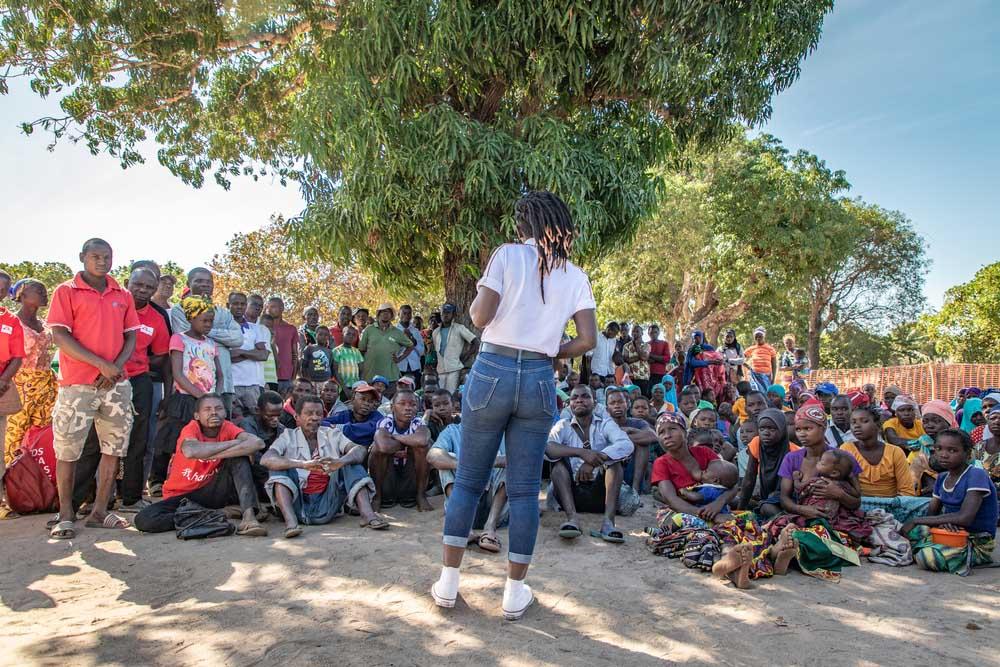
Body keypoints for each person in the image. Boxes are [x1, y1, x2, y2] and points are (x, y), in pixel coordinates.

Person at [434, 190, 597, 621]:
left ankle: (449, 586)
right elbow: (586, 341)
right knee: (525, 489)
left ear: (522, 224)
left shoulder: (505, 256)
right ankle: (514, 592)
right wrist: (547, 348)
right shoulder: (575, 275)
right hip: (540, 377)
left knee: (469, 480)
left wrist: (480, 298)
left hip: (492, 370)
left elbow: (480, 318)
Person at [46, 239, 139, 539]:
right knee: (68, 450)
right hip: (77, 384)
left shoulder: (121, 293)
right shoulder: (66, 291)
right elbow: (60, 336)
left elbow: (130, 338)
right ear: (82, 257)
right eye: (96, 256)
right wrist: (100, 364)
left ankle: (99, 511)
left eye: (107, 256)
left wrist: (114, 368)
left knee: (114, 448)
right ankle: (65, 514)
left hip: (115, 386)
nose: (102, 261)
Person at [134, 394, 266, 536]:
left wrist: (210, 452)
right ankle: (214, 514)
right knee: (143, 519)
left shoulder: (228, 427)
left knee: (239, 459)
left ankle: (248, 517)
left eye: (218, 408)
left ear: (225, 412)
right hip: (183, 495)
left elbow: (258, 443)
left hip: (212, 489)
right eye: (207, 409)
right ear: (197, 415)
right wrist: (235, 444)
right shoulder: (191, 429)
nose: (214, 412)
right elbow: (191, 451)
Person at [262, 395, 387, 537]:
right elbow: (266, 459)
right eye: (309, 414)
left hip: (328, 504)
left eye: (319, 414)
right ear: (297, 417)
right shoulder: (287, 436)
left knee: (351, 462)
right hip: (298, 504)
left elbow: (360, 450)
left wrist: (341, 462)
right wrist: (303, 465)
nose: (315, 418)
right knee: (278, 467)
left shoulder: (331, 434)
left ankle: (368, 515)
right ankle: (291, 523)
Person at [148, 295, 223, 496]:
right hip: (185, 399)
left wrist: (216, 397)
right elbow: (178, 374)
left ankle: (196, 478)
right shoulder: (179, 339)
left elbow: (219, 373)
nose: (208, 325)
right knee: (170, 439)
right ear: (191, 318)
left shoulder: (211, 344)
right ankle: (156, 480)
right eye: (204, 320)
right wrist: (201, 397)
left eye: (210, 321)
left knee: (205, 440)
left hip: (208, 401)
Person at [545, 385, 634, 544]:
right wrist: (582, 453)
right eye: (574, 397)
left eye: (585, 396)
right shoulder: (563, 425)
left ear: (595, 403)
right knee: (557, 464)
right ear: (569, 404)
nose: (579, 400)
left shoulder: (605, 424)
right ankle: (572, 519)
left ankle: (608, 523)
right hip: (571, 493)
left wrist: (594, 462)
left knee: (615, 464)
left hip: (601, 493)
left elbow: (626, 444)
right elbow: (548, 447)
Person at [902, 429, 997, 574]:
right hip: (949, 532)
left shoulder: (976, 475)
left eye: (952, 450)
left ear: (968, 454)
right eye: (938, 449)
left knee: (927, 557)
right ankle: (935, 549)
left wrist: (916, 520)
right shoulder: (942, 477)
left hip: (975, 539)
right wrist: (943, 522)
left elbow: (965, 518)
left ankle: (972, 557)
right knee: (908, 532)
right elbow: (932, 514)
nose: (943, 455)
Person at [116, 267, 170, 512]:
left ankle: (131, 496)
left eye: (149, 287)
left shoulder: (157, 317)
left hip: (139, 381)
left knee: (138, 441)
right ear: (127, 282)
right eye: (138, 285)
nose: (143, 290)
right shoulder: (111, 306)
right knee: (97, 441)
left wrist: (140, 364)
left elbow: (161, 355)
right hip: (103, 377)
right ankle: (92, 498)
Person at [170, 268, 243, 416]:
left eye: (209, 282)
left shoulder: (223, 312)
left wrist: (209, 333)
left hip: (221, 390)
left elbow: (238, 339)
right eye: (199, 281)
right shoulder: (180, 310)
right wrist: (223, 338)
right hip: (187, 393)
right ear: (188, 283)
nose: (205, 285)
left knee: (219, 429)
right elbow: (186, 332)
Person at [429, 422, 509, 553]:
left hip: (495, 507)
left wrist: (489, 462)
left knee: (511, 465)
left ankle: (490, 527)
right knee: (446, 459)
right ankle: (463, 526)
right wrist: (465, 466)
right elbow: (432, 455)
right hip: (462, 504)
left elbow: (520, 458)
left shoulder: (503, 432)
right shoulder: (452, 431)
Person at [841, 405, 927, 522]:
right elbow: (842, 484)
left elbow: (906, 491)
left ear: (877, 424)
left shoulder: (895, 452)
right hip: (858, 505)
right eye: (853, 422)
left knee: (927, 504)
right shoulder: (846, 449)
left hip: (891, 507)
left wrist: (894, 511)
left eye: (864, 421)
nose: (857, 426)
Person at [4, 281, 55, 466]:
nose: (44, 293)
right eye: (38, 290)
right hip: (20, 383)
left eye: (44, 289)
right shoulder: (11, 323)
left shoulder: (45, 324)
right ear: (22, 296)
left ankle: (32, 482)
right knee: (14, 434)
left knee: (40, 434)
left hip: (46, 384)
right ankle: (8, 484)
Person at [370, 389, 431, 511]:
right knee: (377, 449)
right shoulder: (386, 422)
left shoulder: (418, 422)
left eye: (413, 404)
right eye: (402, 403)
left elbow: (422, 440)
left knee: (424, 448)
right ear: (392, 407)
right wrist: (409, 442)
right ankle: (377, 496)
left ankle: (420, 495)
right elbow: (384, 446)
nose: (408, 408)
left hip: (409, 479)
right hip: (387, 478)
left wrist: (396, 437)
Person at [737, 408, 799, 517]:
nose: (766, 433)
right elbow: (749, 478)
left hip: (789, 498)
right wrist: (740, 510)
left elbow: (793, 489)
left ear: (782, 429)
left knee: (766, 508)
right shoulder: (757, 443)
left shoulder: (794, 452)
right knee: (735, 499)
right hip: (766, 495)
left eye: (771, 428)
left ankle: (787, 522)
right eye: (762, 428)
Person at [0, 284, 26, 517]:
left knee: (1, 442)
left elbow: (17, 356)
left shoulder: (10, 321)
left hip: (3, 385)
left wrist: (4, 380)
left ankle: (1, 502)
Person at [603, 387, 657, 493]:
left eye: (620, 402)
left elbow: (653, 436)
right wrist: (627, 439)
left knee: (643, 444)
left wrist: (630, 430)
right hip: (609, 471)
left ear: (627, 405)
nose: (617, 405)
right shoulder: (602, 425)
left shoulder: (637, 423)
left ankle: (635, 491)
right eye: (612, 403)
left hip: (631, 470)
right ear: (607, 408)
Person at [228, 292, 270, 414]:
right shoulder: (223, 327)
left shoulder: (256, 329)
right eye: (235, 303)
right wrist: (252, 353)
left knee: (255, 420)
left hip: (253, 385)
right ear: (228, 305)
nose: (239, 307)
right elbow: (227, 356)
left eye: (242, 304)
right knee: (233, 420)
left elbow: (263, 355)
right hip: (231, 384)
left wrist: (240, 352)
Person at [358, 304, 414, 391]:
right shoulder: (369, 329)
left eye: (388, 312)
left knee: (388, 403)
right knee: (370, 402)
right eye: (383, 312)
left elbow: (410, 346)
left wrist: (399, 358)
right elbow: (361, 349)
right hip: (370, 376)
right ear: (378, 314)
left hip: (390, 377)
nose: (385, 314)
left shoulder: (397, 332)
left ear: (391, 316)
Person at [432, 303, 478, 392]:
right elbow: (436, 351)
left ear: (453, 315)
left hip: (454, 368)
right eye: (443, 312)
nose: (445, 315)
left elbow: (475, 342)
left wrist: (466, 355)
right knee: (441, 394)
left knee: (451, 394)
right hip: (440, 369)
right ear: (441, 314)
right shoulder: (435, 332)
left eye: (448, 313)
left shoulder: (459, 328)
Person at [321, 381, 383, 446]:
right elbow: (321, 422)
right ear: (353, 399)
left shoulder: (377, 418)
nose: (366, 404)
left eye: (370, 401)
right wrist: (330, 426)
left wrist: (336, 427)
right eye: (363, 399)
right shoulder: (344, 415)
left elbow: (366, 429)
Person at [264, 297, 299, 395]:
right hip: (267, 376)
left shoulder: (291, 328)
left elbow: (295, 354)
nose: (271, 309)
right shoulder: (262, 327)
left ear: (282, 308)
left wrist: (293, 378)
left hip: (286, 377)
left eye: (275, 307)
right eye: (269, 307)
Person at [396, 304, 425, 388]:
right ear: (399, 314)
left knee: (415, 391)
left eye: (409, 313)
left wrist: (412, 339)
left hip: (414, 367)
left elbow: (422, 351)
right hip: (400, 367)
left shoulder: (415, 331)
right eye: (404, 313)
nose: (406, 315)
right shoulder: (394, 331)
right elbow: (393, 350)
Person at [331, 326, 364, 393]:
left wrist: (359, 385)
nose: (351, 336)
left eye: (354, 335)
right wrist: (345, 389)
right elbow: (335, 371)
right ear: (343, 335)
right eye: (348, 334)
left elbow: (361, 370)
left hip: (355, 387)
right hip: (341, 387)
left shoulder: (356, 351)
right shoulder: (336, 351)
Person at [622, 324, 651, 397]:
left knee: (644, 397)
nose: (635, 333)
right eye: (633, 331)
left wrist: (637, 345)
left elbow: (645, 358)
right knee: (631, 398)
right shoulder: (626, 346)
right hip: (631, 377)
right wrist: (641, 356)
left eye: (637, 331)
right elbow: (625, 360)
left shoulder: (646, 345)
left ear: (642, 333)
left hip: (644, 377)